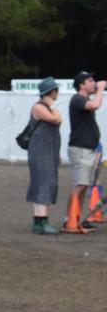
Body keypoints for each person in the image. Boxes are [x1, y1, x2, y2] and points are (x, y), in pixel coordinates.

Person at [64, 71, 104, 231]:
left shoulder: (83, 99)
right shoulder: (78, 99)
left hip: (87, 149)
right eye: (90, 80)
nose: (94, 82)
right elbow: (95, 105)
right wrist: (101, 89)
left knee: (84, 185)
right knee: (80, 184)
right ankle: (69, 219)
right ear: (81, 85)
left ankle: (77, 217)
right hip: (80, 149)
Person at [26, 77, 62, 235]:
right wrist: (53, 105)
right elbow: (56, 119)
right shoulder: (39, 107)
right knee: (44, 184)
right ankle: (42, 222)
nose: (58, 93)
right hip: (40, 151)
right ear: (50, 92)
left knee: (44, 183)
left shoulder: (45, 107)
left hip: (48, 150)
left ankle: (39, 223)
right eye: (56, 90)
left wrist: (57, 152)